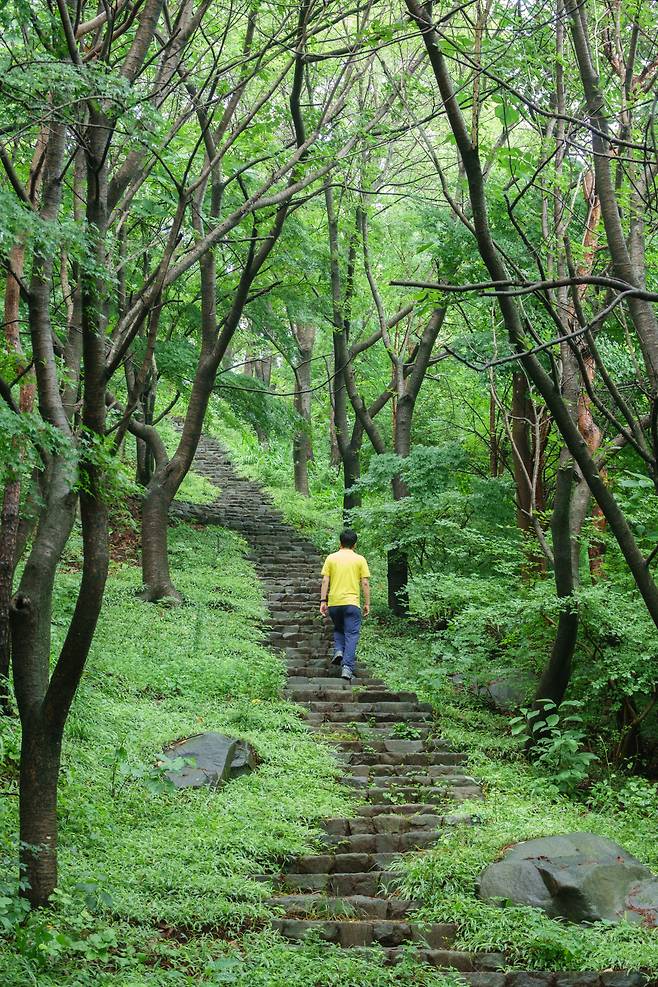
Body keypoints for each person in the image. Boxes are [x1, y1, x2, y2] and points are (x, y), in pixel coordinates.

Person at [319, 529, 370, 681]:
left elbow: (325, 581)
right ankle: (347, 667)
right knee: (352, 634)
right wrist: (367, 603)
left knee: (339, 629)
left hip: (334, 603)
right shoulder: (360, 559)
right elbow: (365, 582)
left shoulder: (331, 558)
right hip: (352, 603)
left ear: (340, 543)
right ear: (354, 544)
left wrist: (323, 601)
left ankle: (339, 650)